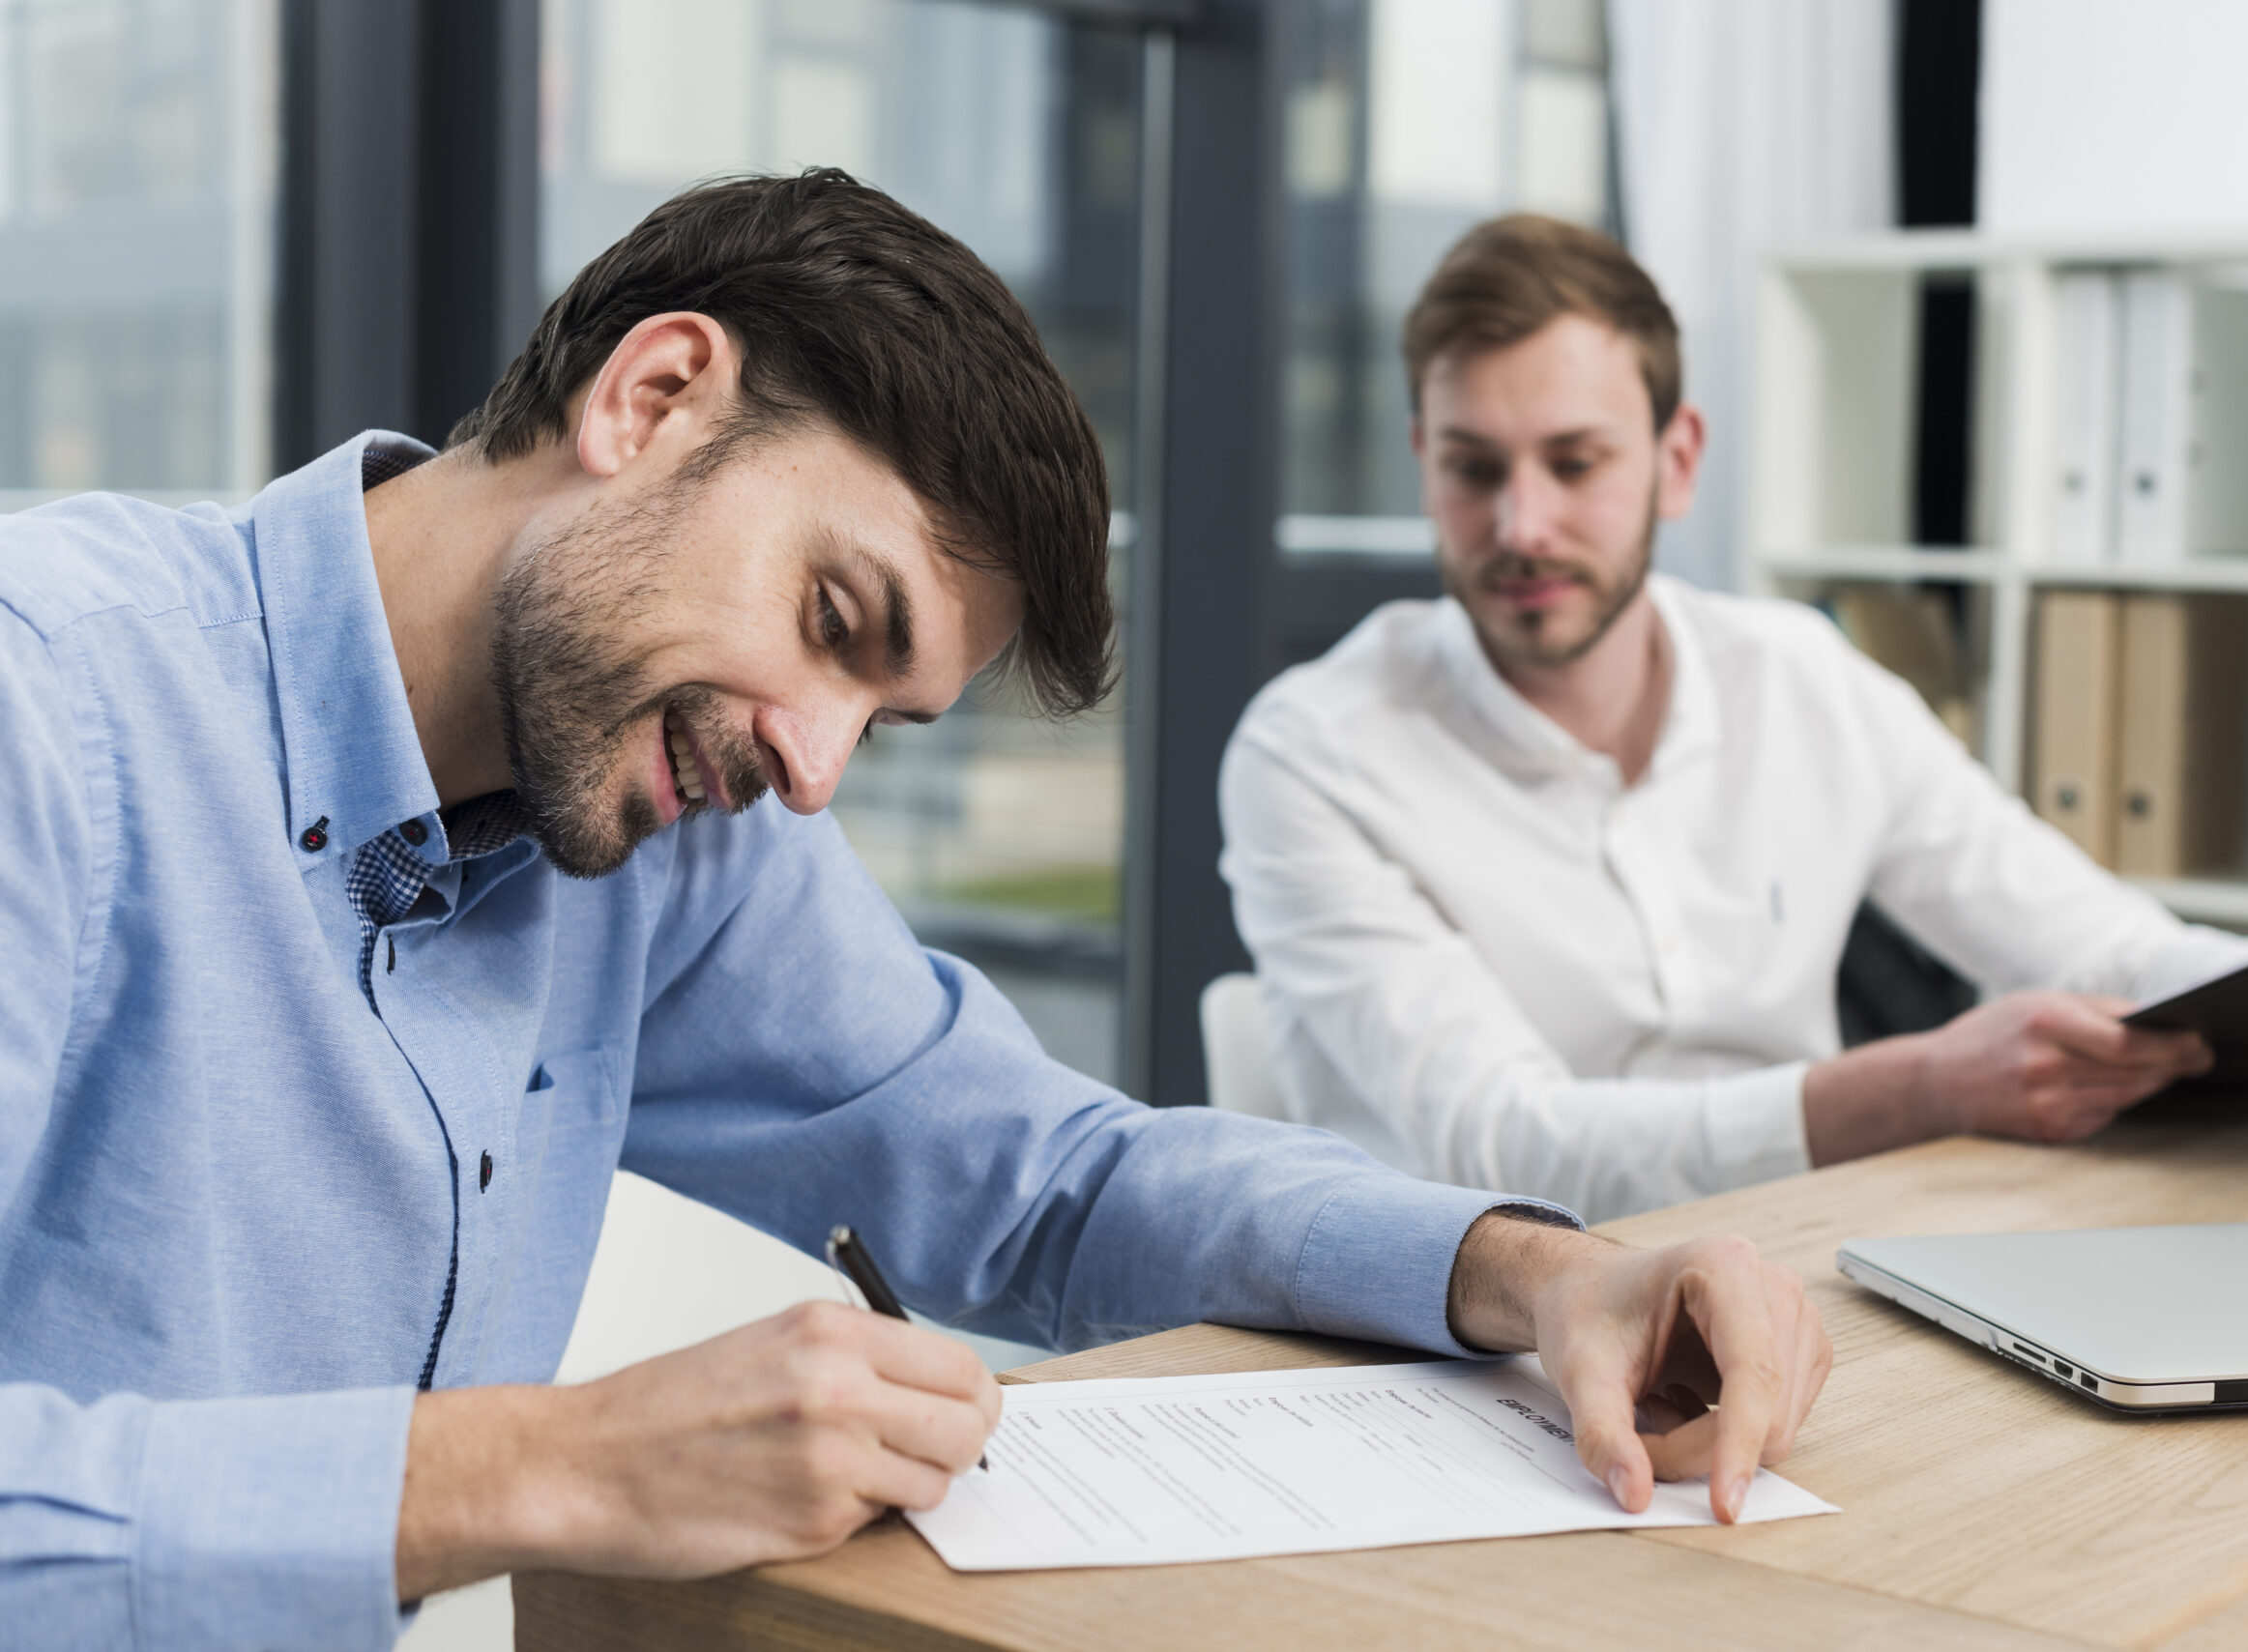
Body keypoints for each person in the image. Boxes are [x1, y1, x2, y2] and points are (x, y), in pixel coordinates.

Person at [0, 173, 1832, 1649]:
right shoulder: (47, 709)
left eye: (885, 719)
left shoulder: (672, 815)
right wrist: (555, 1464)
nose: (812, 769)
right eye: (831, 618)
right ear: (649, 399)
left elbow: (1051, 1177)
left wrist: (1545, 1272)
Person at [1218, 214, 2248, 1225]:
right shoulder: (1315, 751)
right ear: (1420, 457)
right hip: (1460, 1333)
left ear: (1678, 457)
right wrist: (1920, 1086)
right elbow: (1502, 1146)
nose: (1522, 524)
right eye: (1474, 467)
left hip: (1810, 1262)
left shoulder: (1801, 678)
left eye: (1576, 461)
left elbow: (2092, 944)